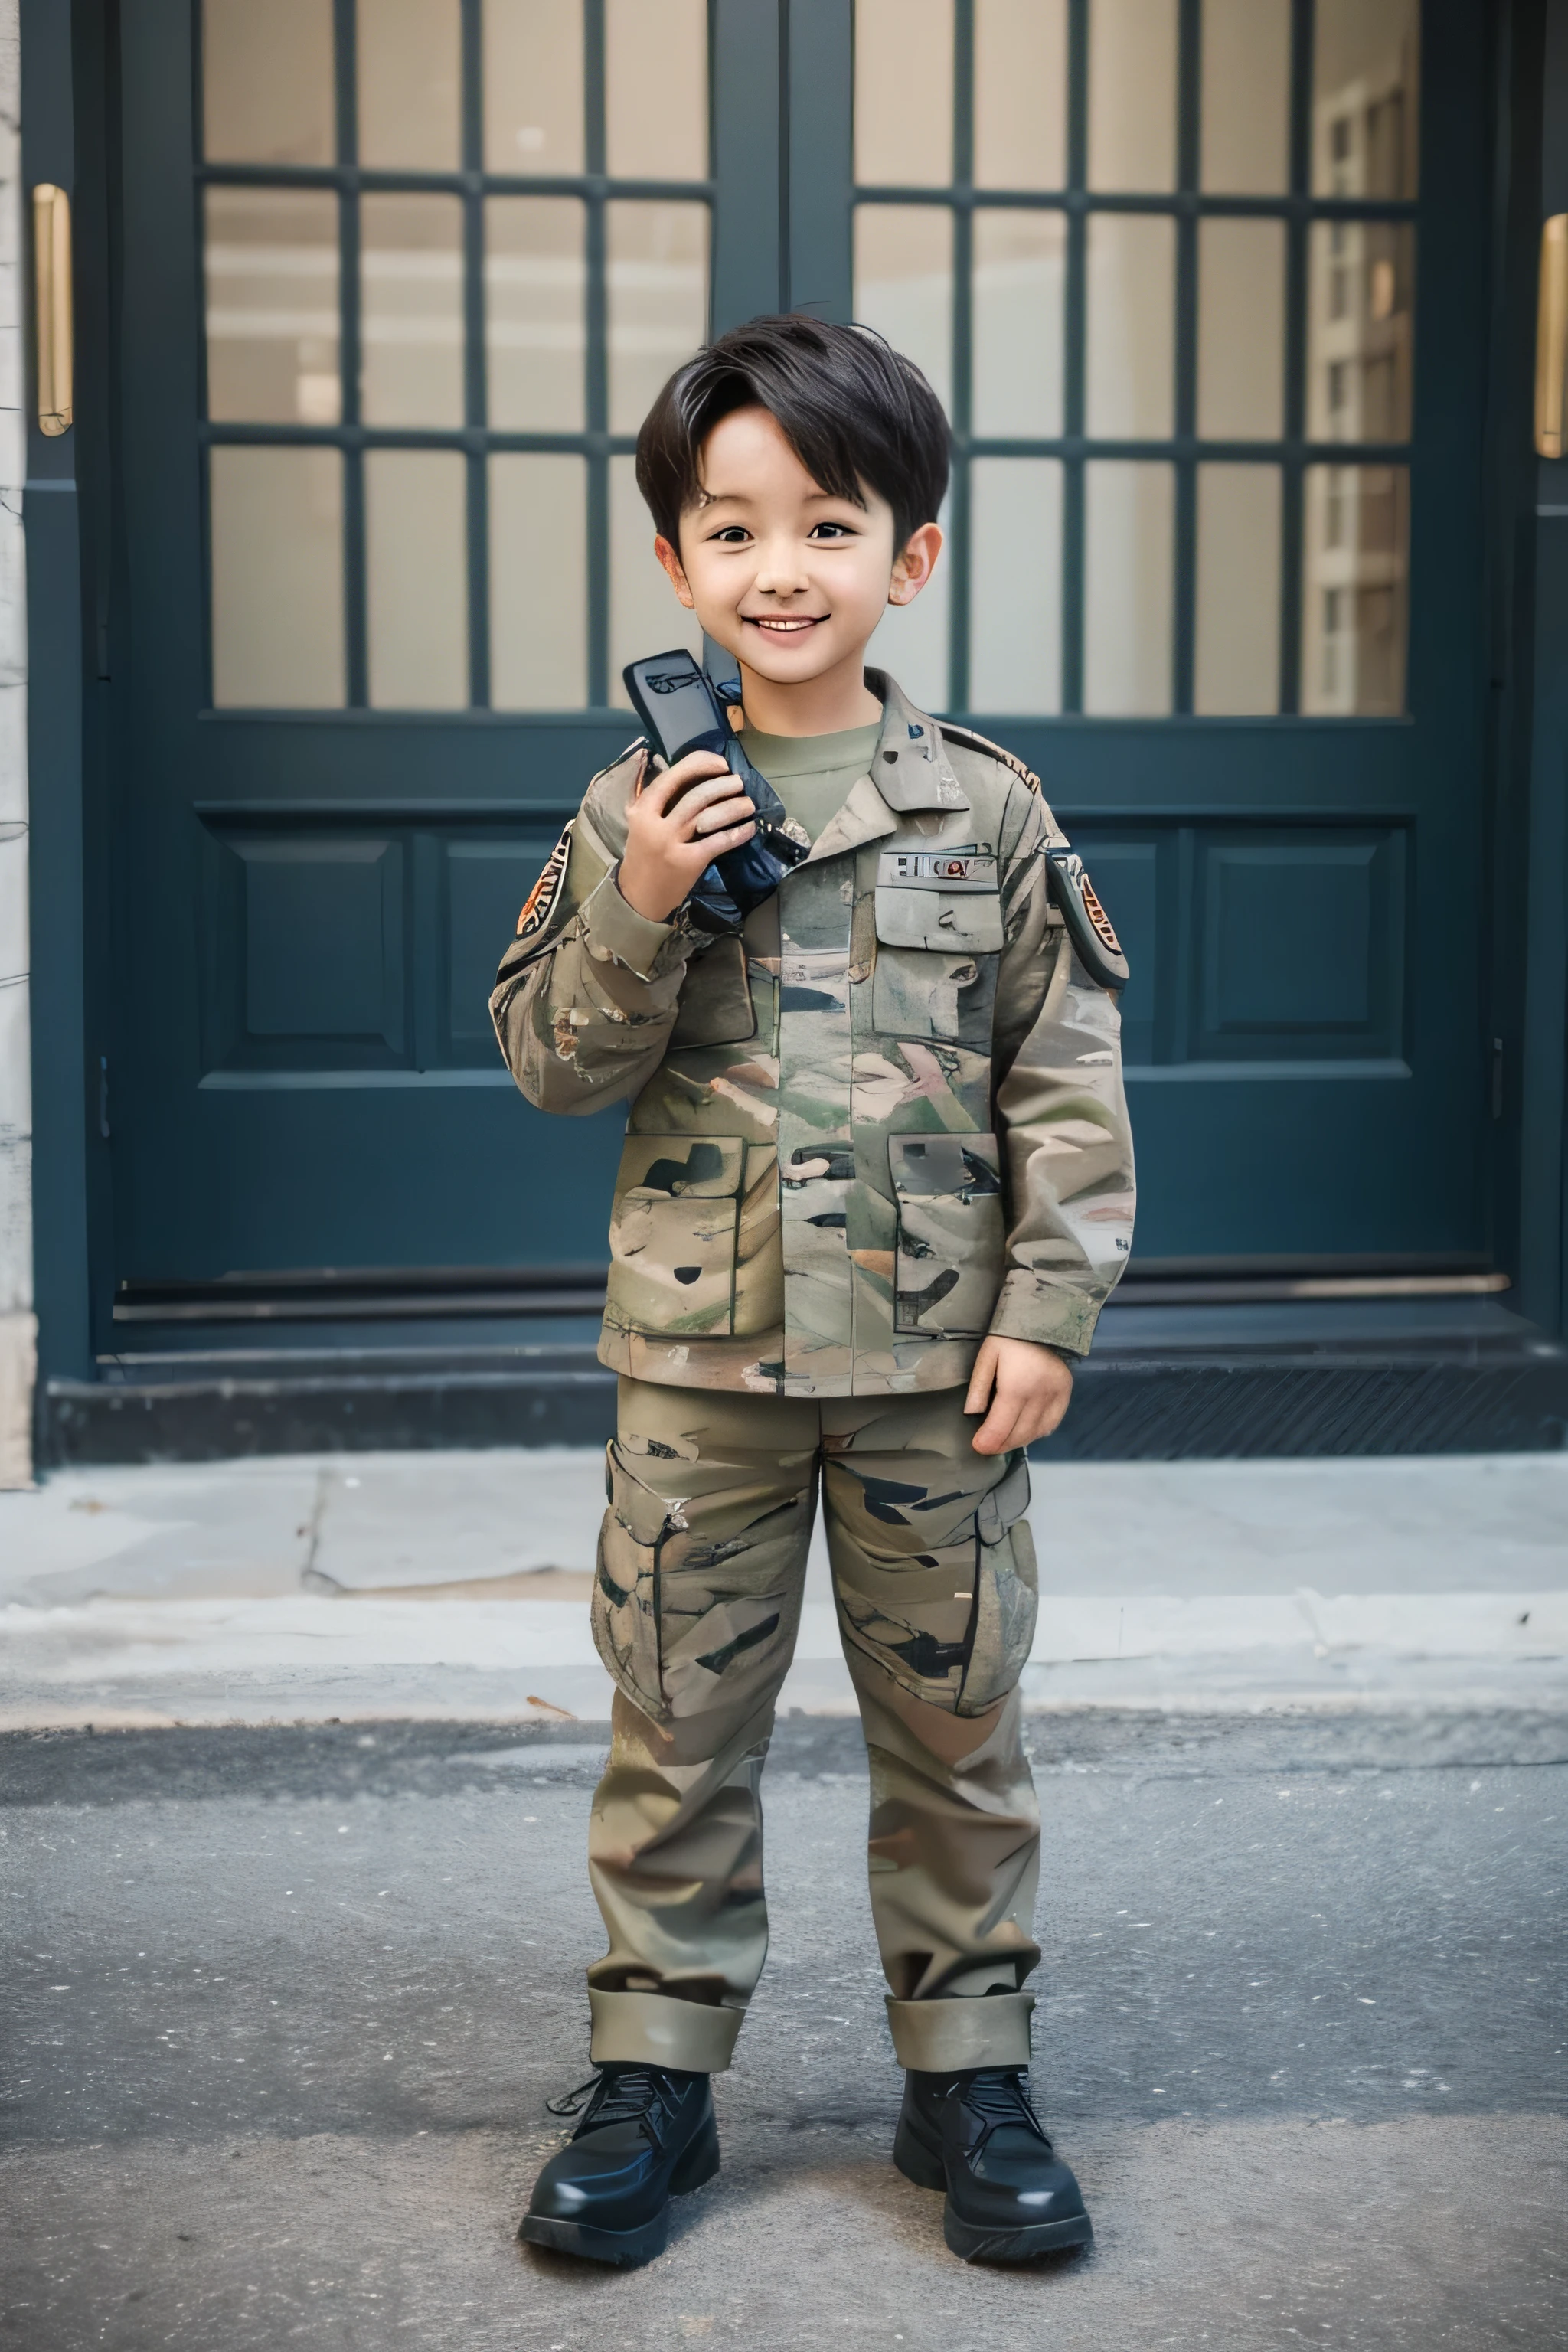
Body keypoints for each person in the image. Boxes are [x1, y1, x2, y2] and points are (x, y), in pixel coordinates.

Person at [490, 315, 1135, 2269]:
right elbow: (550, 1063)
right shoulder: (634, 810)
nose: (783, 568)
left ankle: (970, 2073)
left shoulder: (988, 808)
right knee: (678, 1718)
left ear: (906, 558)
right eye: (734, 528)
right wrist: (642, 906)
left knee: (954, 1718)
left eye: (830, 524)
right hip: (701, 1362)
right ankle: (655, 2083)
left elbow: (1065, 1078)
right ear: (676, 564)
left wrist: (1048, 1308)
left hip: (940, 1366)